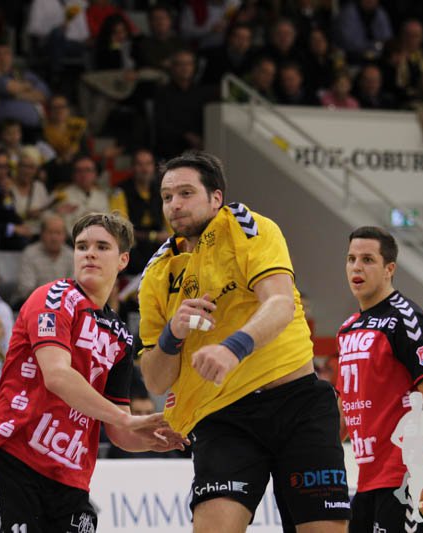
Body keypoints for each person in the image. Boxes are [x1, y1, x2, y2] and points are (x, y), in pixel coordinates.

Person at [138, 151, 350, 531]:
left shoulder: (249, 227)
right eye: (167, 197)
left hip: (296, 403)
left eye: (186, 193)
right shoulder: (157, 273)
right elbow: (154, 380)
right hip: (223, 418)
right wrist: (173, 334)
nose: (174, 205)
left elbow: (280, 303)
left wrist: (232, 348)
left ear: (215, 198)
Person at [0, 212, 186, 532]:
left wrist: (150, 439)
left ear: (123, 259)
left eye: (102, 246)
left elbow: (118, 430)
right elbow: (57, 376)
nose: (89, 253)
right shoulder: (53, 298)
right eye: (82, 246)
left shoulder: (121, 336)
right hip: (14, 462)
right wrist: (125, 419)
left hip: (71, 480)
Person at [337, 226, 423, 531]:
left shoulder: (407, 319)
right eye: (351, 259)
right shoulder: (347, 328)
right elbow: (345, 406)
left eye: (367, 259)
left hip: (411, 479)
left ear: (389, 269)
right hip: (369, 480)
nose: (356, 267)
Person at [16, 214, 74, 303]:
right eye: (50, 232)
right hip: (33, 302)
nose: (54, 237)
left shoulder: (71, 255)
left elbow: (74, 288)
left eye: (58, 233)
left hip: (64, 303)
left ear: (65, 236)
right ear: (42, 234)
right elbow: (26, 289)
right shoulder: (30, 253)